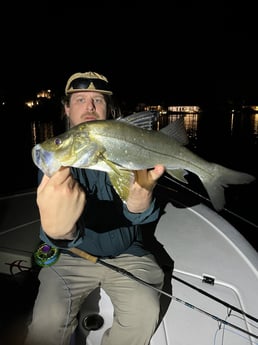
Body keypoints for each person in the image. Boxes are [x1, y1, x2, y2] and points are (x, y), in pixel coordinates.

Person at [25, 71, 166, 345]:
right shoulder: (58, 156)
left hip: (129, 254)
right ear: (66, 108)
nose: (89, 106)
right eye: (80, 99)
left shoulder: (126, 144)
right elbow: (58, 229)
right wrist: (57, 231)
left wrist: (139, 205)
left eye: (97, 100)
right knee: (48, 319)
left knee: (145, 311)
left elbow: (141, 211)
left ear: (107, 108)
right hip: (71, 257)